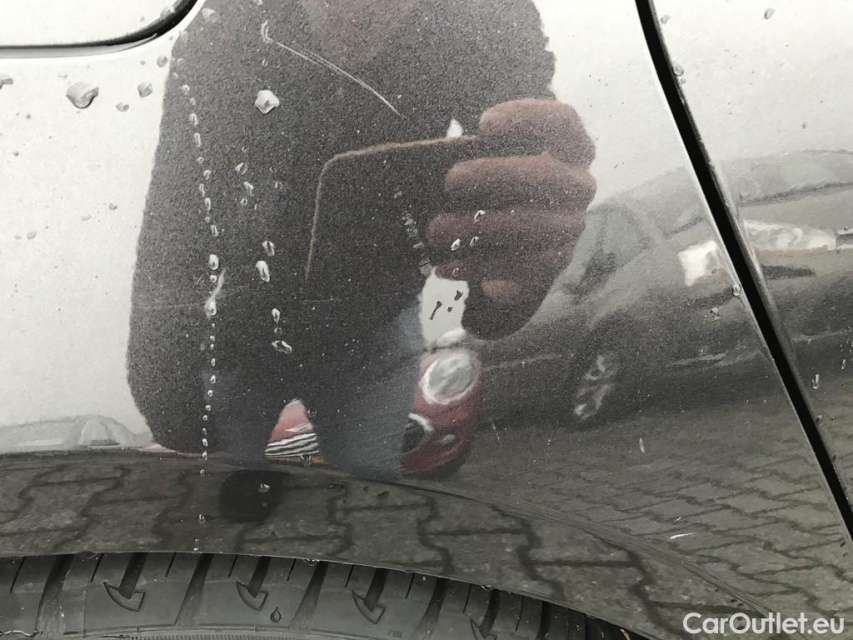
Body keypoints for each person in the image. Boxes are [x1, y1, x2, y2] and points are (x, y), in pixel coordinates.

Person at [127, 0, 595, 480]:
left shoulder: (484, 13)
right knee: (253, 497)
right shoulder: (226, 22)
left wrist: (515, 275)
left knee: (346, 496)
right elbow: (178, 214)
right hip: (250, 332)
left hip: (373, 327)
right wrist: (170, 400)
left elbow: (522, 170)